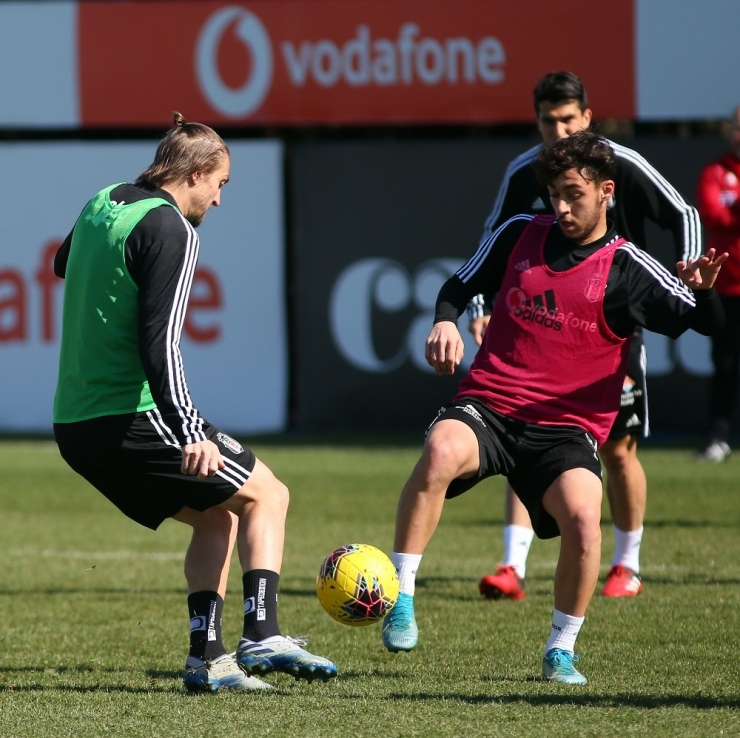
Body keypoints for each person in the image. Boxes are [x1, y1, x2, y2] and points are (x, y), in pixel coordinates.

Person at [380, 131, 725, 684]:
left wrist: (705, 294)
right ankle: (400, 596)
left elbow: (705, 326)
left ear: (607, 190)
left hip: (565, 431)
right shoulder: (520, 232)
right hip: (490, 406)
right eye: (553, 194)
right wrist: (446, 318)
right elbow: (459, 283)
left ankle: (560, 649)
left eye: (573, 194)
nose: (560, 207)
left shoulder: (629, 267)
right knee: (441, 449)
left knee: (586, 521)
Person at [52, 112, 337, 693]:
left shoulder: (103, 200)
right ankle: (262, 634)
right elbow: (161, 345)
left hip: (74, 423)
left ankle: (207, 660)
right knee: (269, 495)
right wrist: (190, 432)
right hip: (130, 414)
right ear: (197, 173)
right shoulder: (173, 231)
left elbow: (62, 263)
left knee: (217, 518)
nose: (220, 199)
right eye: (221, 184)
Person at [471, 72, 702, 601]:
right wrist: (480, 306)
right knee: (518, 431)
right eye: (549, 120)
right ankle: (512, 565)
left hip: (609, 328)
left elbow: (683, 213)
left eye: (568, 119)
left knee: (619, 449)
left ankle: (627, 562)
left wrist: (685, 278)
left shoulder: (620, 163)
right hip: (543, 325)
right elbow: (492, 243)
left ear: (588, 118)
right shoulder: (526, 171)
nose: (559, 129)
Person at [694, 106, 740, 462]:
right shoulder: (716, 171)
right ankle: (718, 438)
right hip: (727, 289)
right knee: (724, 367)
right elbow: (712, 213)